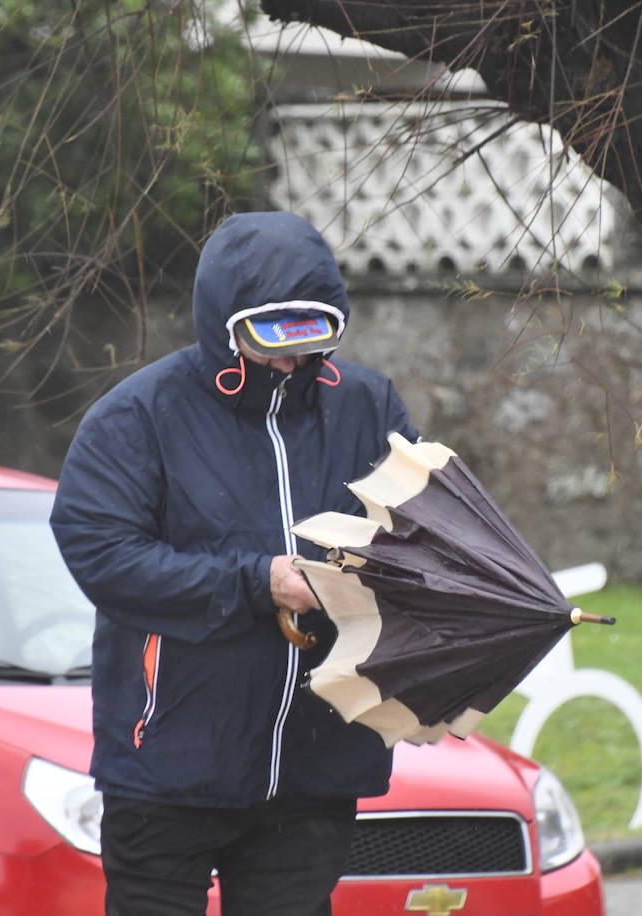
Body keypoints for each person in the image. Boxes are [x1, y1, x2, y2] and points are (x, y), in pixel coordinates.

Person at [49, 211, 420, 916]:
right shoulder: (139, 416)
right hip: (167, 769)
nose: (290, 363)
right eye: (268, 342)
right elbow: (100, 550)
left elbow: (425, 528)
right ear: (223, 326)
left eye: (311, 341)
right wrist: (257, 581)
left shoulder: (368, 406)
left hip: (318, 765)